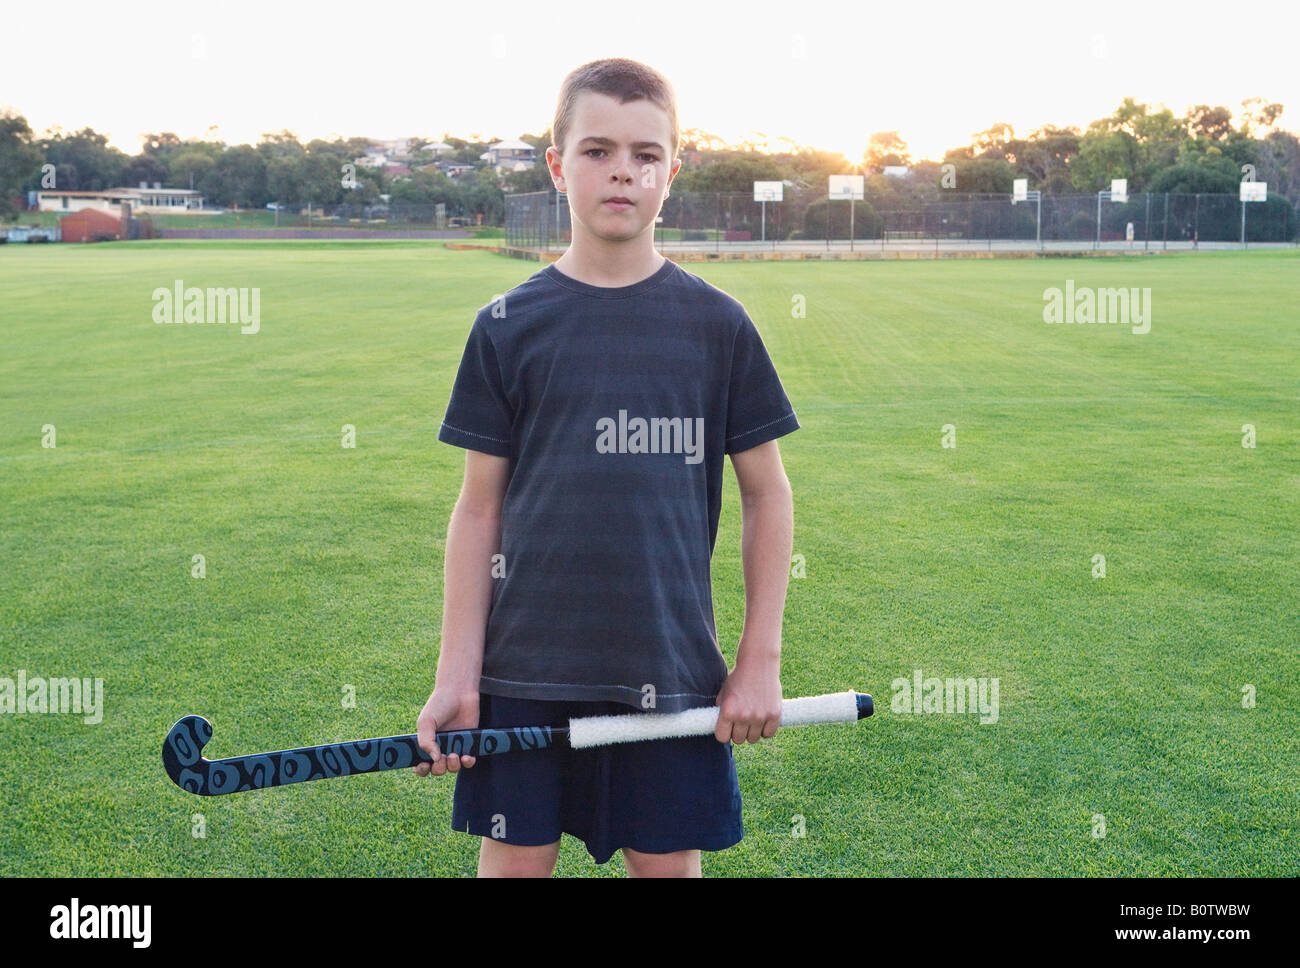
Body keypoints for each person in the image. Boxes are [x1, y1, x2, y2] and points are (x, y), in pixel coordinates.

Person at [413, 57, 800, 877]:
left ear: (671, 171)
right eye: (596, 150)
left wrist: (758, 660)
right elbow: (479, 509)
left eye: (645, 154)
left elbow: (767, 494)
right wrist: (458, 672)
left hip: (668, 668)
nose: (622, 169)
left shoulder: (717, 324)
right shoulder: (507, 324)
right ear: (557, 166)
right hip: (523, 672)